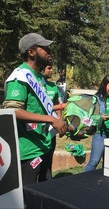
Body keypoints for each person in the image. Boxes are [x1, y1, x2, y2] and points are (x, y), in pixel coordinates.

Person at [3, 32, 66, 185]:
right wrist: (51, 119)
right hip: (28, 152)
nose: (49, 52)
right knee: (28, 198)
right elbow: (13, 111)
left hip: (44, 146)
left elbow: (43, 109)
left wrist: (60, 122)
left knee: (45, 193)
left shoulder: (38, 77)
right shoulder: (19, 77)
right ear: (31, 52)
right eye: (44, 48)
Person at [39, 64, 63, 181]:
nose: (51, 70)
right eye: (49, 68)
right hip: (37, 130)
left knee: (48, 158)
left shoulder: (53, 86)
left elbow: (56, 105)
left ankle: (47, 181)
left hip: (51, 130)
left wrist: (59, 118)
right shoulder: (36, 85)